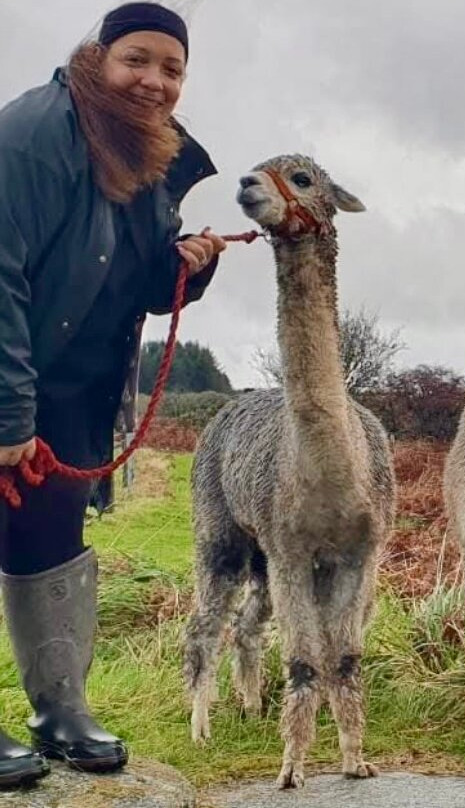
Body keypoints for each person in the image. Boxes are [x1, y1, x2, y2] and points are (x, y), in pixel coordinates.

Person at [0, 2, 226, 785]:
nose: (154, 81)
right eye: (138, 59)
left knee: (50, 543)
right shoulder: (33, 134)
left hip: (71, 388)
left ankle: (59, 709)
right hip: (9, 370)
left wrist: (183, 266)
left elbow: (122, 275)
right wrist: (7, 416)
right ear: (98, 57)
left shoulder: (141, 151)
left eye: (172, 68)